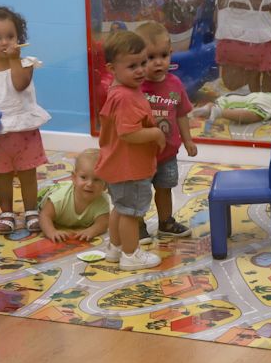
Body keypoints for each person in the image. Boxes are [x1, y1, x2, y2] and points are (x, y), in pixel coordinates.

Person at [0, 3, 51, 234]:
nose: (4, 42)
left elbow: (19, 84)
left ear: (19, 38)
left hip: (24, 130)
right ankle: (6, 213)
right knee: (2, 176)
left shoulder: (26, 64)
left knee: (28, 174)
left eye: (10, 36)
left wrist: (15, 59)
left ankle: (31, 211)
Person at [96, 29, 166, 271]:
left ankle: (115, 248)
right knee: (130, 213)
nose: (140, 70)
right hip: (130, 168)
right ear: (112, 69)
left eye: (143, 63)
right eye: (132, 65)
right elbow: (128, 133)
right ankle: (130, 254)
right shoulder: (126, 97)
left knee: (120, 208)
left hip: (117, 164)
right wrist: (156, 133)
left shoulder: (120, 91)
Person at [138, 22, 198, 239]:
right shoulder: (135, 87)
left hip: (167, 153)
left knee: (164, 188)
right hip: (141, 154)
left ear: (171, 53)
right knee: (140, 192)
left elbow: (181, 114)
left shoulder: (175, 84)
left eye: (163, 55)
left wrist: (188, 140)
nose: (158, 62)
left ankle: (166, 222)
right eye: (150, 58)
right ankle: (137, 225)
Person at [37, 149, 111, 244]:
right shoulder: (59, 198)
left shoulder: (102, 201)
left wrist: (91, 231)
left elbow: (103, 223)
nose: (89, 184)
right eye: (83, 177)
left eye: (96, 180)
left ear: (105, 185)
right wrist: (51, 232)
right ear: (74, 178)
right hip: (48, 193)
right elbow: (44, 216)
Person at [190, 82, 271, 134]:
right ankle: (219, 112)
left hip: (257, 95)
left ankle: (208, 108)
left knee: (227, 101)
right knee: (255, 114)